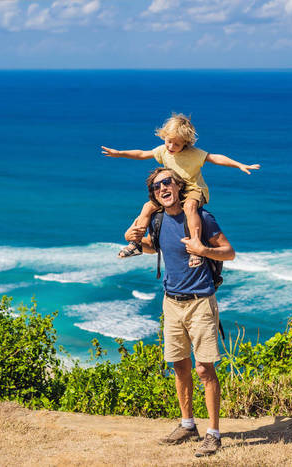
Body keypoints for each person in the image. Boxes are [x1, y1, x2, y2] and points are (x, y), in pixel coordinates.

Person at [124, 167, 235, 457]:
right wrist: (136, 240)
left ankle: (213, 434)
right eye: (157, 186)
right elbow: (155, 246)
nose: (162, 188)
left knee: (203, 368)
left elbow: (228, 251)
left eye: (167, 182)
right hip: (171, 302)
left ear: (178, 186)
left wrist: (202, 249)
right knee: (179, 366)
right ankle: (188, 425)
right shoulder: (158, 220)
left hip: (200, 302)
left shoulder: (202, 219)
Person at [103, 113, 258, 268]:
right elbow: (142, 154)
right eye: (169, 141)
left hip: (193, 189)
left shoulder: (194, 154)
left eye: (177, 144)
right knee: (147, 207)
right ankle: (136, 243)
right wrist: (119, 153)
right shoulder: (163, 150)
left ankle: (195, 247)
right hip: (173, 190)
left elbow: (216, 158)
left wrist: (239, 165)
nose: (171, 146)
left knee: (189, 207)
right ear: (164, 136)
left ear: (186, 143)